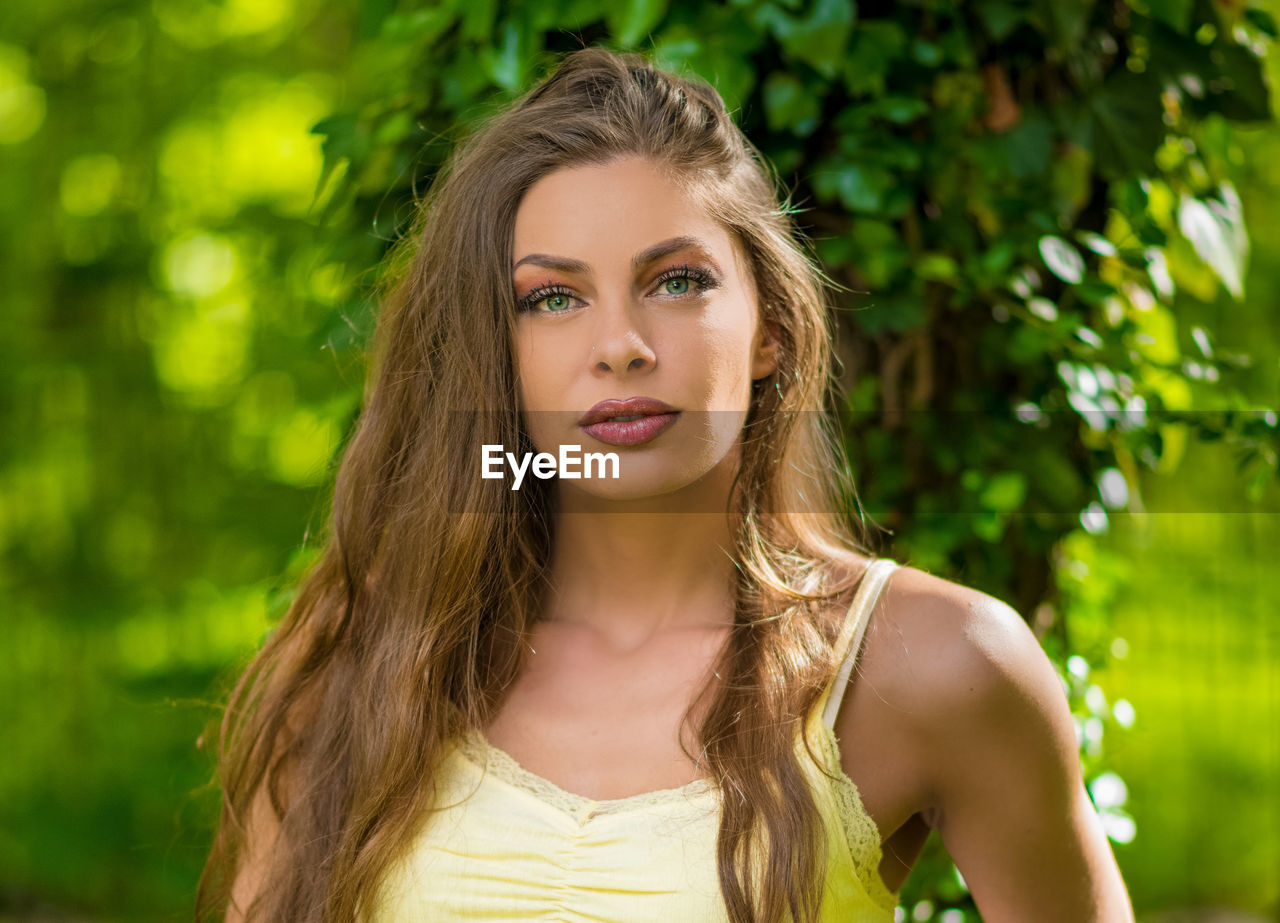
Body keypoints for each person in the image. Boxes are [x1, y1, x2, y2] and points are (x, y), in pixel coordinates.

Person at [196, 46, 1135, 923]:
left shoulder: (932, 663)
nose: (621, 346)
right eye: (552, 298)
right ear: (496, 355)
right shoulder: (376, 651)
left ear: (770, 326)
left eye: (678, 281)